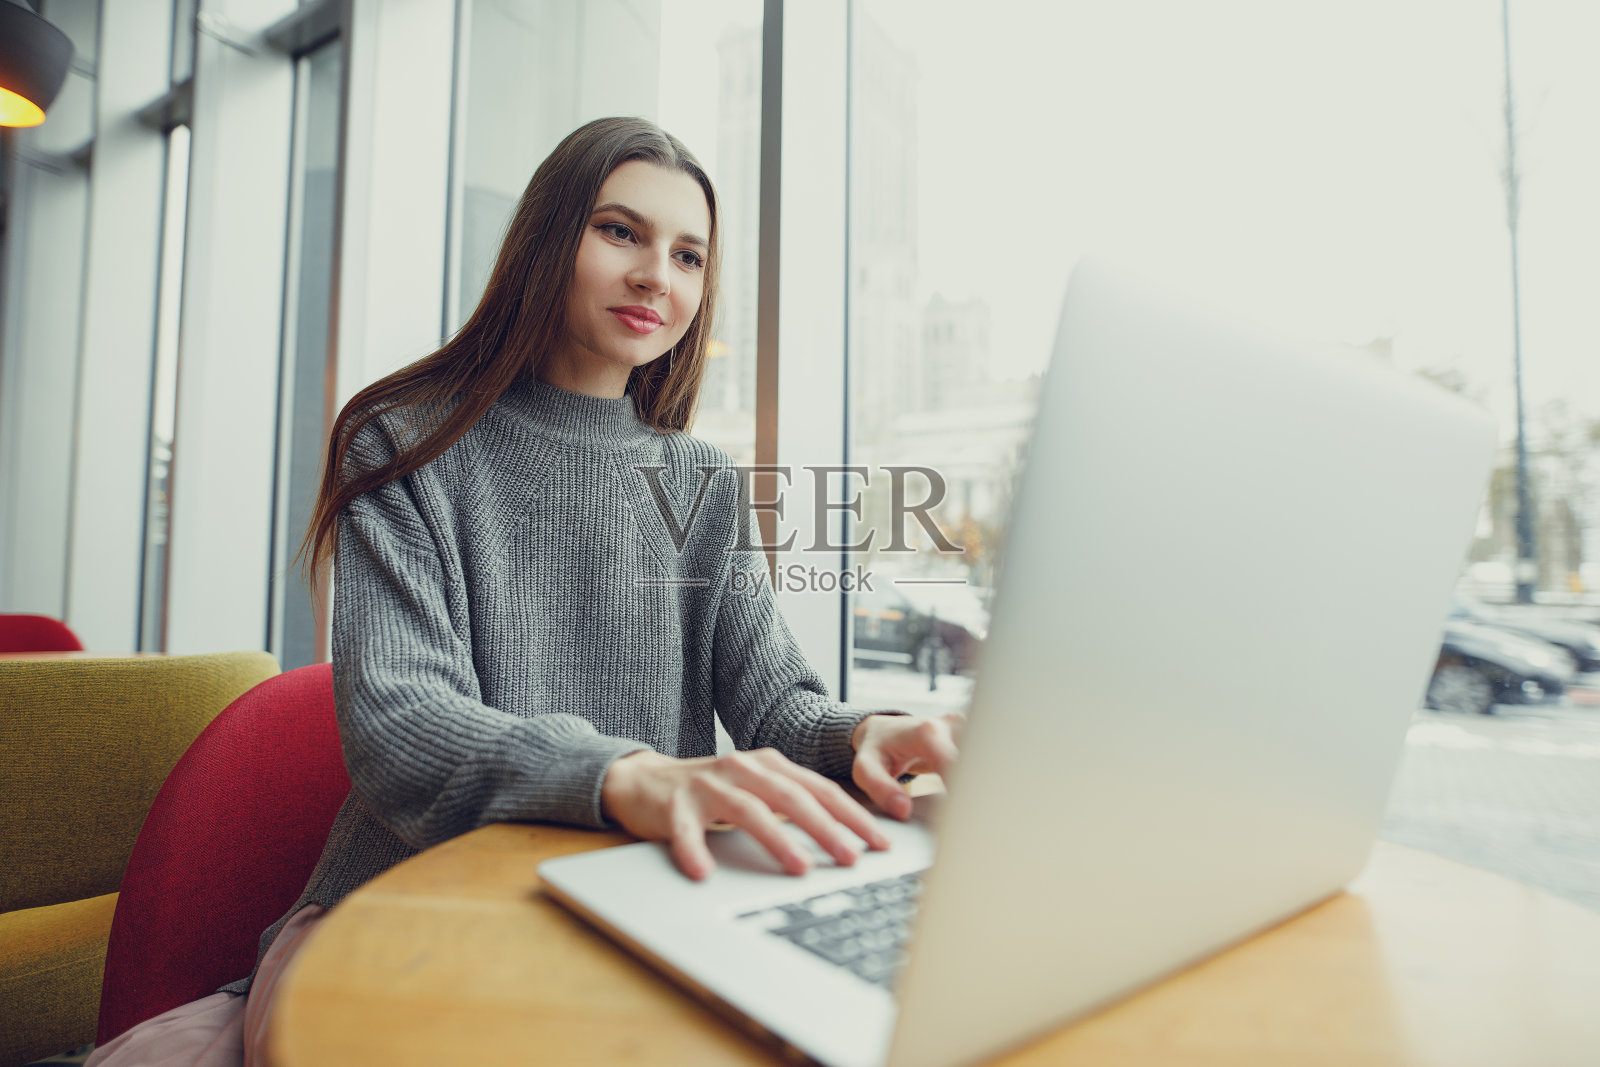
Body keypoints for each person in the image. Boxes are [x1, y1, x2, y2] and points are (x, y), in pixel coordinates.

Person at [87, 116, 961, 1067]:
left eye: (688, 256)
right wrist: (626, 775)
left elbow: (776, 705)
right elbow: (402, 720)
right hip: (403, 912)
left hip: (632, 909)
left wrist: (867, 735)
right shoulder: (403, 441)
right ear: (548, 237)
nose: (655, 277)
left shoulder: (703, 483)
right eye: (619, 232)